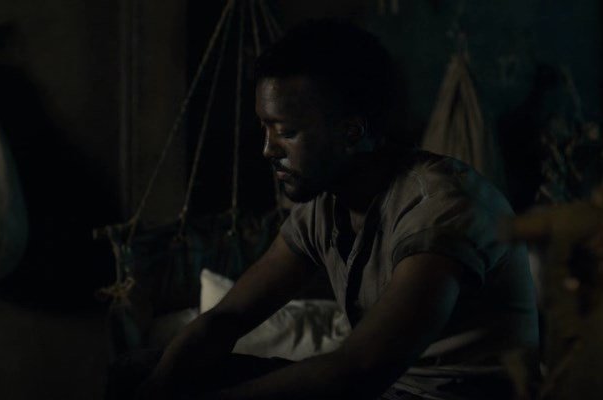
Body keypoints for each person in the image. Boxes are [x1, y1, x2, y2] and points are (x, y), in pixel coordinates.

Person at [123, 20, 539, 400]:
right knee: (143, 371)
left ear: (351, 132)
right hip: (386, 391)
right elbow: (227, 318)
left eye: (286, 132)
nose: (268, 150)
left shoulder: (439, 207)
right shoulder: (325, 207)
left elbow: (358, 369)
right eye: (265, 128)